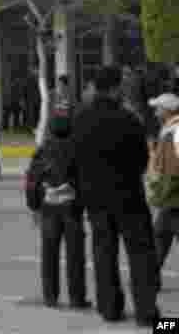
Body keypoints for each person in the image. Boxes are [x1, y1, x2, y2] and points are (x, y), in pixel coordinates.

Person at [68, 65, 159, 326]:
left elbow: (74, 160)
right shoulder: (129, 119)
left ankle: (110, 308)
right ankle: (147, 313)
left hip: (95, 199)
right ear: (116, 87)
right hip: (128, 196)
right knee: (140, 252)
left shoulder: (81, 119)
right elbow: (142, 160)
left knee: (103, 251)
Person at [25, 109, 88, 309]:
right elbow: (86, 181)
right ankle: (77, 298)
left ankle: (50, 297)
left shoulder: (42, 150)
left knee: (49, 253)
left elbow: (32, 182)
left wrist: (33, 205)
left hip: (49, 207)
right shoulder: (78, 150)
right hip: (72, 207)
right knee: (75, 255)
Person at [148, 92, 179, 272]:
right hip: (171, 197)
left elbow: (174, 168)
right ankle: (150, 278)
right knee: (160, 237)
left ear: (167, 111)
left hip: (172, 197)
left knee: (160, 237)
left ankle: (150, 279)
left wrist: (163, 193)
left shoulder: (174, 132)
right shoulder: (169, 129)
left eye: (158, 108)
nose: (155, 113)